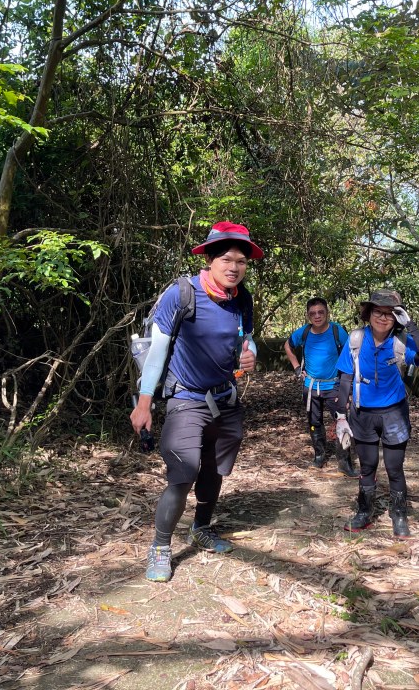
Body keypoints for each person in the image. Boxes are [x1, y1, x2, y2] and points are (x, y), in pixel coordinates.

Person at [130, 221, 263, 583]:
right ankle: (160, 546)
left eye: (241, 261)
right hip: (187, 398)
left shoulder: (242, 298)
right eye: (226, 259)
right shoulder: (182, 294)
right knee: (183, 472)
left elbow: (245, 339)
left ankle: (201, 528)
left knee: (214, 469)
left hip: (225, 398)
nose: (234, 267)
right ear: (209, 260)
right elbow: (157, 352)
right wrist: (144, 403)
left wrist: (249, 353)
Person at [335, 289, 419, 538]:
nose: (383, 318)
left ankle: (399, 514)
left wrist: (410, 324)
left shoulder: (401, 342)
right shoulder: (356, 339)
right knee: (367, 465)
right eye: (378, 312)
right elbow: (345, 378)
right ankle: (364, 511)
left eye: (390, 314)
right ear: (368, 314)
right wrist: (340, 416)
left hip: (394, 413)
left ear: (397, 317)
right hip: (363, 414)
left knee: (394, 467)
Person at [283, 297, 358, 477]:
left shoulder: (337, 331)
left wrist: (348, 385)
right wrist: (297, 368)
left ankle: (345, 462)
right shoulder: (304, 332)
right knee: (314, 423)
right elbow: (287, 346)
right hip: (310, 387)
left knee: (342, 421)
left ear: (327, 313)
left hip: (334, 385)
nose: (317, 316)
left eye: (320, 312)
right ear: (308, 316)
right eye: (313, 313)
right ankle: (319, 456)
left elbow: (351, 354)